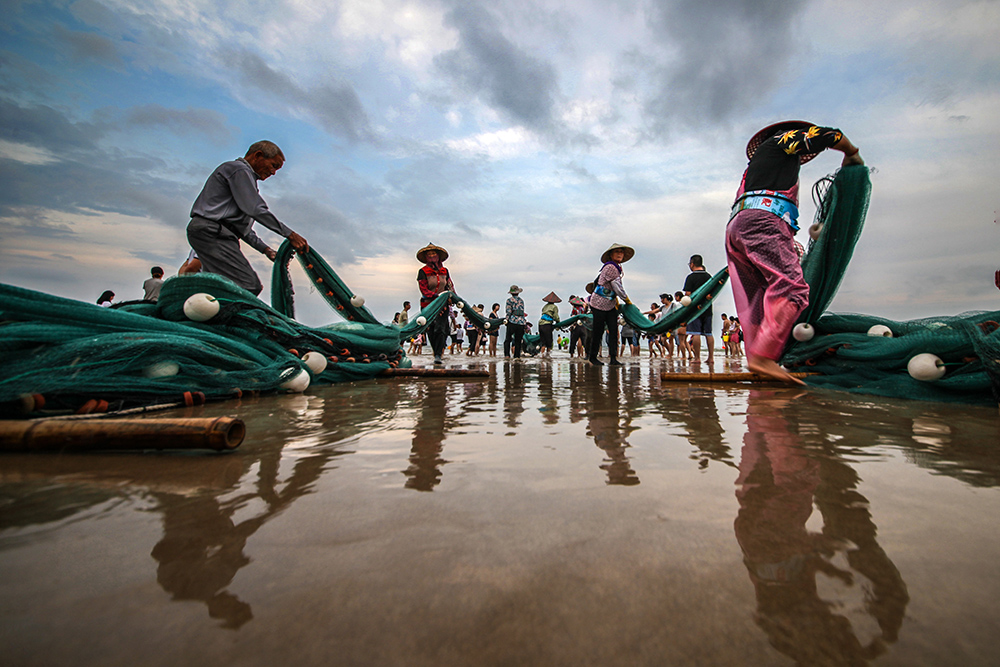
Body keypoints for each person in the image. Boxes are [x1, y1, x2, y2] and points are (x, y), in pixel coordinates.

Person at [726, 121, 863, 384]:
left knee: (760, 296)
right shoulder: (780, 141)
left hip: (737, 226)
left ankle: (762, 357)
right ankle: (763, 357)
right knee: (792, 289)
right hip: (763, 221)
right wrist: (852, 154)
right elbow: (827, 135)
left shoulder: (754, 170)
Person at [187, 141, 309, 296]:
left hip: (216, 232)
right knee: (248, 285)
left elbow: (240, 228)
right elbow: (255, 209)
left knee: (218, 286)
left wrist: (266, 250)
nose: (273, 172)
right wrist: (290, 234)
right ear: (258, 156)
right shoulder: (239, 170)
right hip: (212, 232)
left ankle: (202, 312)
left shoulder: (244, 179)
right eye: (273, 165)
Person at [588, 243, 633, 366]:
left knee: (613, 330)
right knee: (598, 330)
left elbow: (615, 288)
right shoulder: (611, 267)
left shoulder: (617, 268)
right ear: (611, 255)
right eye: (616, 252)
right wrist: (627, 300)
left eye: (621, 252)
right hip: (599, 303)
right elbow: (617, 287)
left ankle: (613, 357)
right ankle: (593, 357)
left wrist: (617, 301)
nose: (619, 254)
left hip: (610, 304)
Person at [416, 244, 455, 364]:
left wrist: (452, 296)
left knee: (441, 328)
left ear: (438, 256)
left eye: (434, 254)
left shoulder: (445, 271)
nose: (432, 256)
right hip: (428, 305)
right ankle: (435, 352)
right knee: (431, 329)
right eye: (429, 254)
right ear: (426, 257)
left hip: (443, 305)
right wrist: (435, 296)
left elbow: (449, 285)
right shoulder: (423, 271)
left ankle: (438, 354)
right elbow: (423, 289)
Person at [683, 255, 715, 363]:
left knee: (695, 333)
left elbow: (688, 295)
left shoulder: (691, 277)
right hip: (707, 308)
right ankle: (711, 358)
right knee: (708, 333)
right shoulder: (709, 277)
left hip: (695, 310)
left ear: (692, 264)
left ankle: (697, 358)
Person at [504, 285, 527, 359]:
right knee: (518, 341)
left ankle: (507, 355)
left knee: (508, 340)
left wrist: (506, 320)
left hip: (512, 321)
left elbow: (508, 311)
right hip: (521, 322)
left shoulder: (509, 300)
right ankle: (517, 356)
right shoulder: (521, 300)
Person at [538, 292, 561, 359]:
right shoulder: (554, 307)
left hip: (540, 324)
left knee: (543, 342)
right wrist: (558, 323)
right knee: (549, 342)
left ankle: (542, 355)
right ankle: (548, 356)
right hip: (547, 325)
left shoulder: (545, 307)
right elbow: (556, 316)